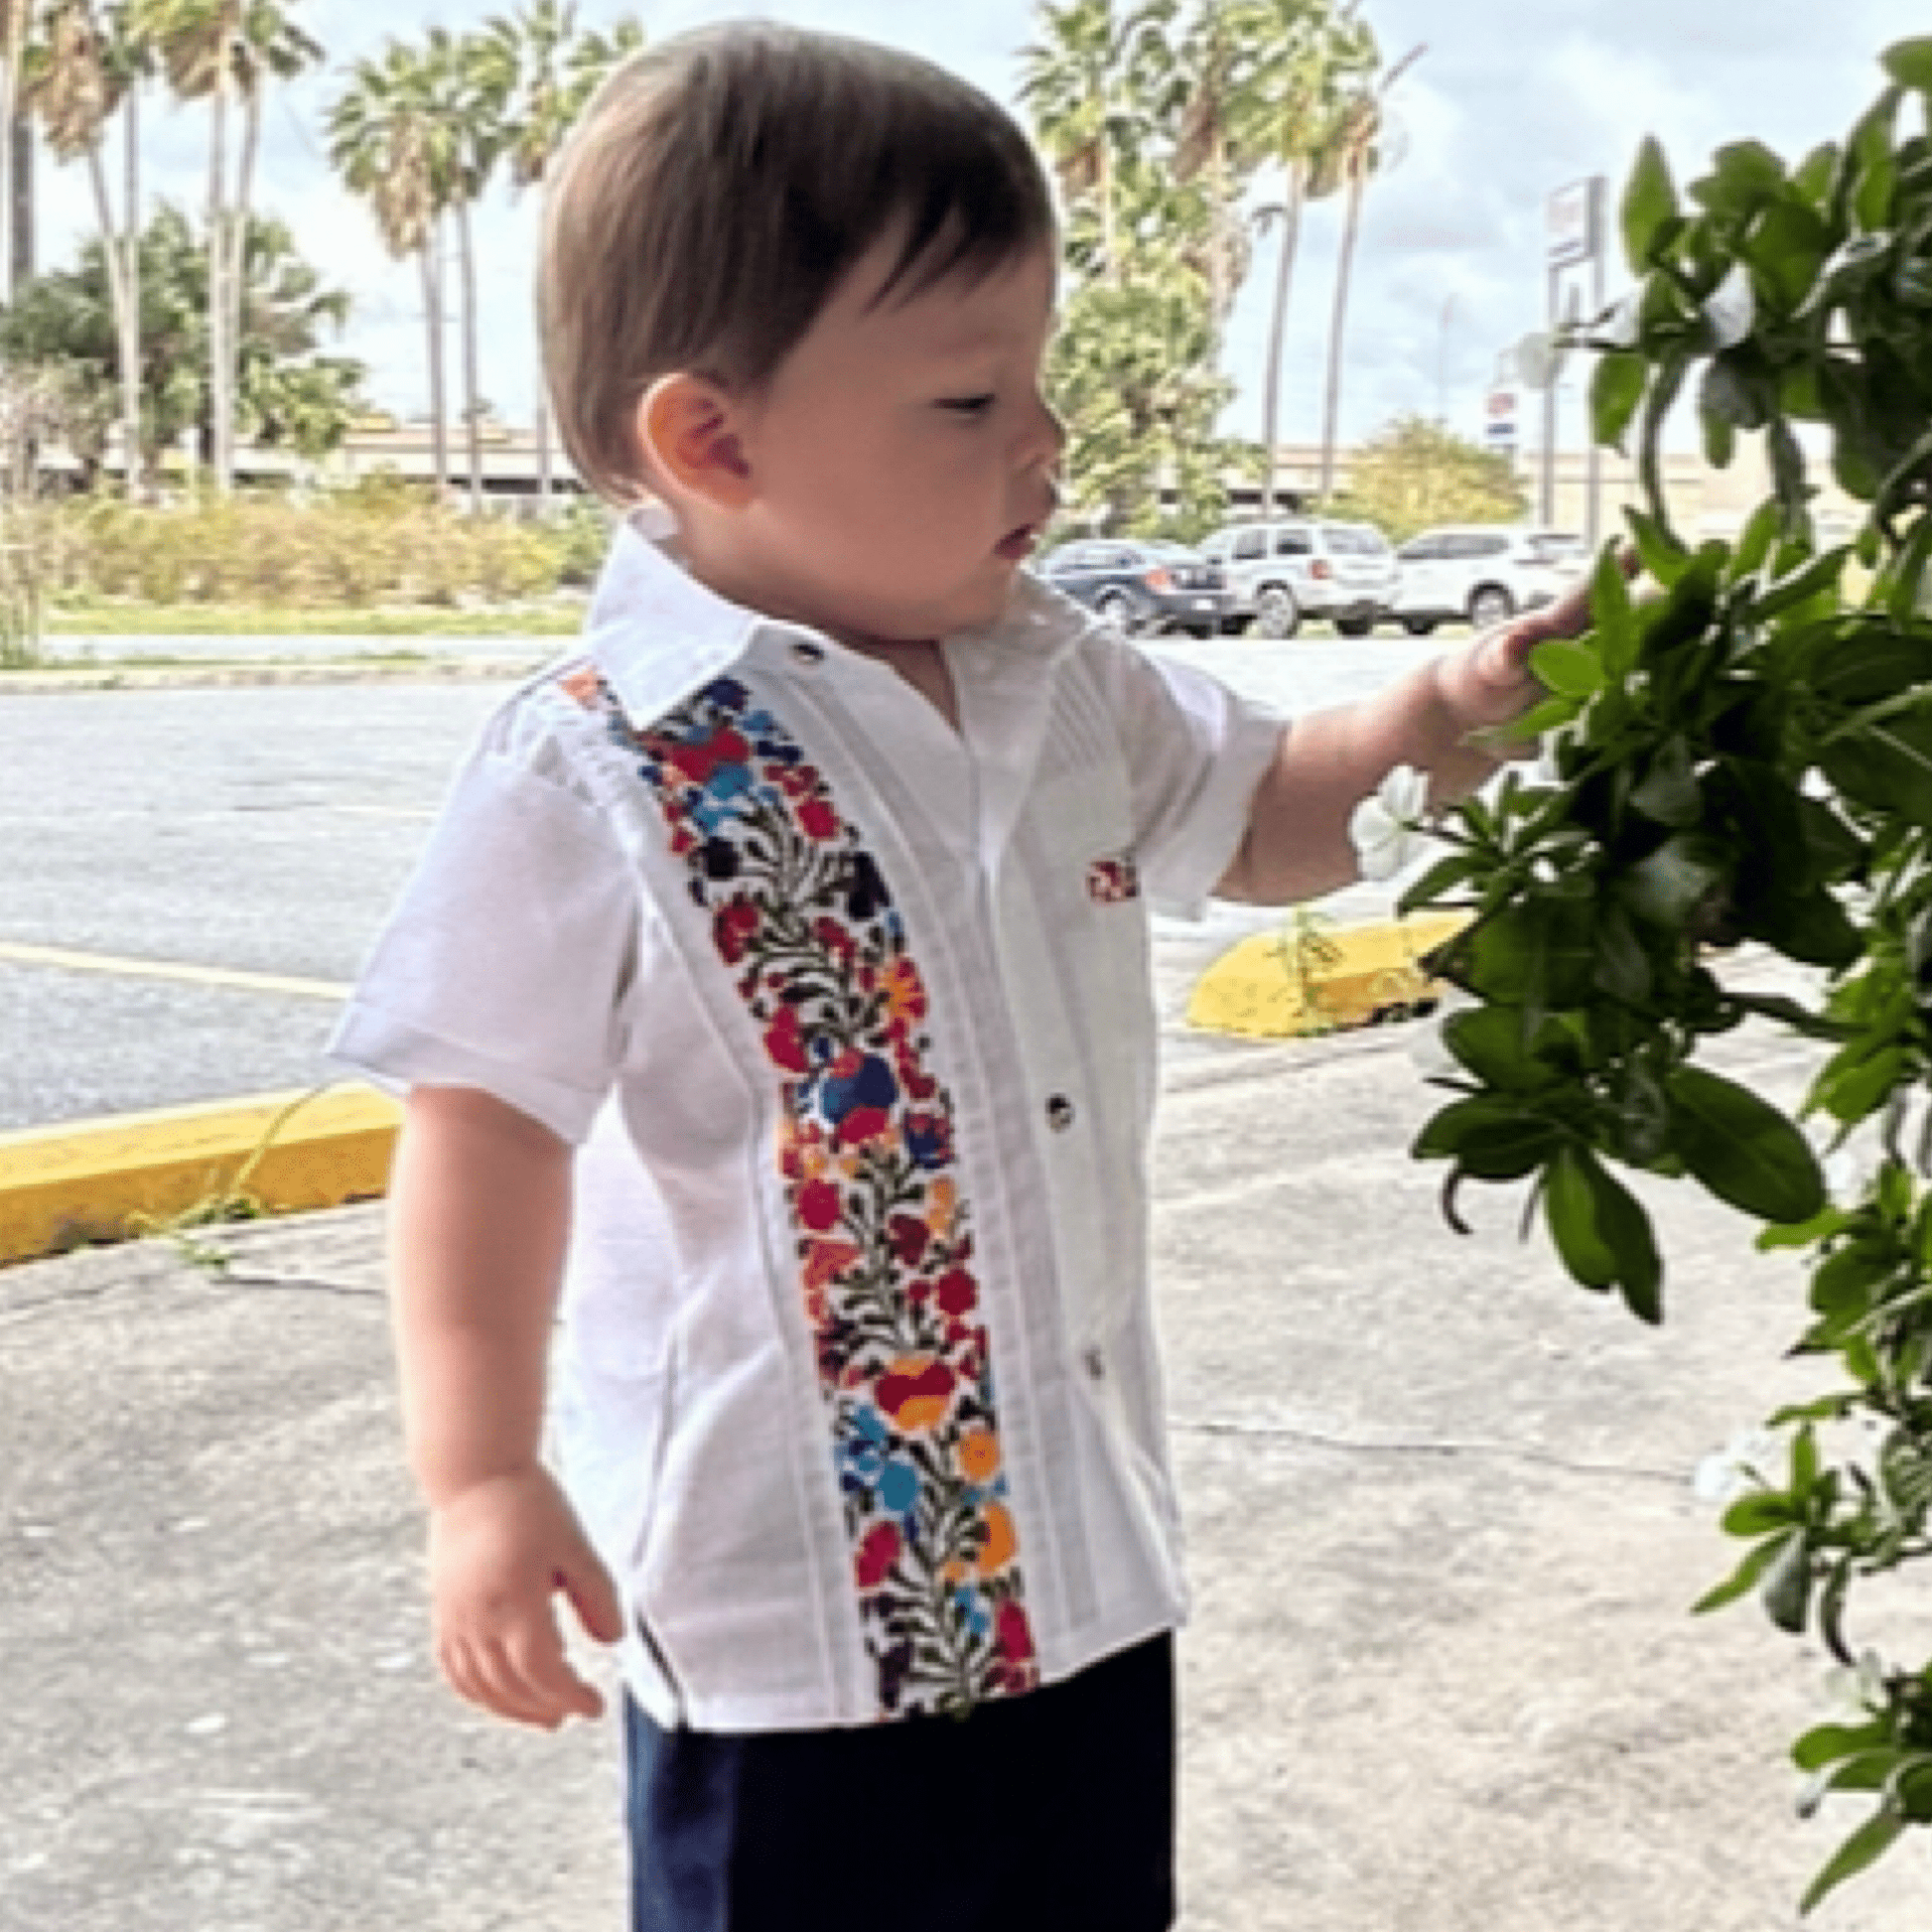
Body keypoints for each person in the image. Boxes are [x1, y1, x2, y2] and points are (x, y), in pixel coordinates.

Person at [330, 22, 1596, 1932]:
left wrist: (1440, 710)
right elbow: (483, 1130)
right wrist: (483, 1476)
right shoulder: (599, 765)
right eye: (965, 399)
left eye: (1039, 381)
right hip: (786, 1619)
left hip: (1077, 1567)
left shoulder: (1057, 675)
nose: (1044, 442)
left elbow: (1263, 817)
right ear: (712, 439)